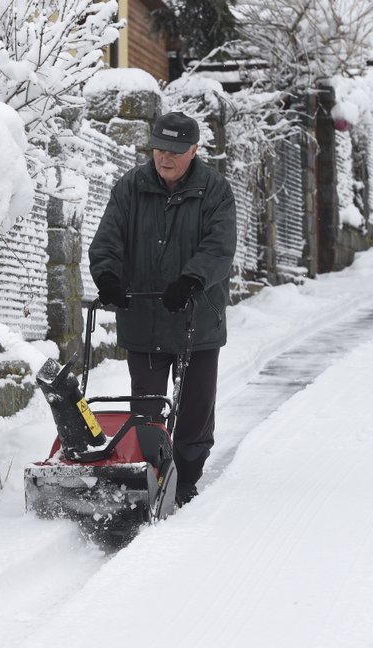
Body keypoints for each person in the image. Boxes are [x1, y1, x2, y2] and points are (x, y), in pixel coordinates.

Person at [89, 111, 237, 507]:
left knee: (193, 412)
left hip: (198, 321)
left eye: (174, 151)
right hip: (145, 319)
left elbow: (220, 248)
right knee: (147, 412)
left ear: (194, 150)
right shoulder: (131, 187)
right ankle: (149, 476)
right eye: (158, 149)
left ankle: (186, 481)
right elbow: (108, 239)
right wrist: (108, 278)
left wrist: (191, 280)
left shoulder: (215, 190)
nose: (164, 158)